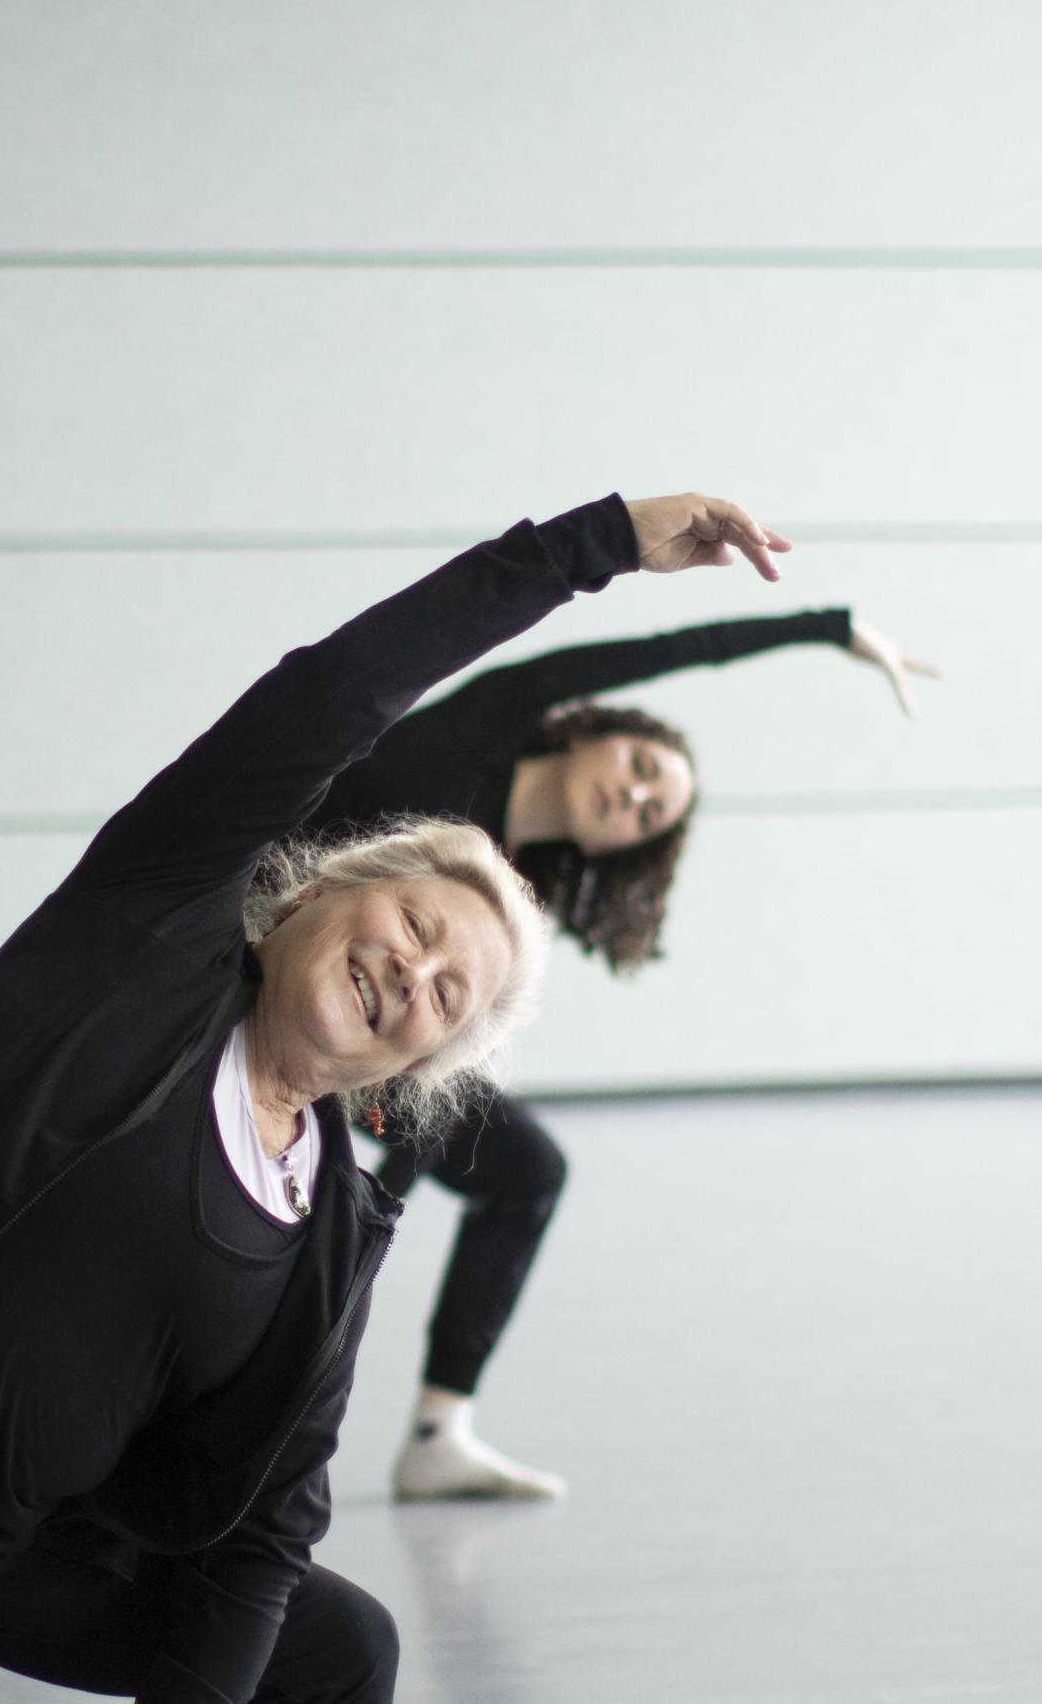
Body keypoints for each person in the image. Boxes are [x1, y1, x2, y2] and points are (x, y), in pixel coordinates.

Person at [0, 488, 787, 1704]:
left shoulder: (326, 1228)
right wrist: (595, 546)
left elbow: (266, 1531)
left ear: (423, 1062)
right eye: (411, 924)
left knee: (336, 1655)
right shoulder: (147, 929)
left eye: (447, 993)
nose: (412, 971)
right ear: (318, 892)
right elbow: (332, 692)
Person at [308, 606, 935, 1501]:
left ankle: (437, 1434)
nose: (634, 798)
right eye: (641, 769)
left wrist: (377, 1207)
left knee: (526, 1170)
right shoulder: (483, 726)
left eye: (650, 814)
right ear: (596, 731)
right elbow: (663, 651)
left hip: (366, 1048)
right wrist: (826, 628)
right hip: (257, 978)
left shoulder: (513, 894)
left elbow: (435, 1066)